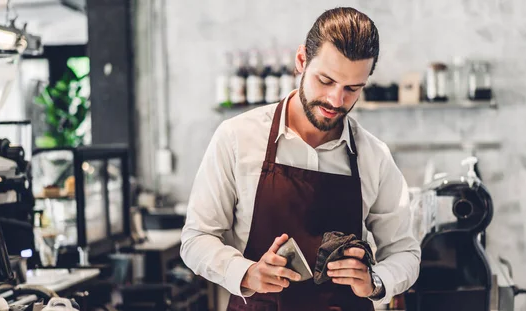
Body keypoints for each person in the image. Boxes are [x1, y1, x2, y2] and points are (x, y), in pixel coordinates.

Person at [180, 7, 421, 310]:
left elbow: (405, 253)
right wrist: (247, 273)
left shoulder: (374, 157)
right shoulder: (237, 138)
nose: (336, 100)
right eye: (325, 80)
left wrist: (375, 280)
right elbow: (196, 238)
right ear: (300, 61)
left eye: (352, 89)